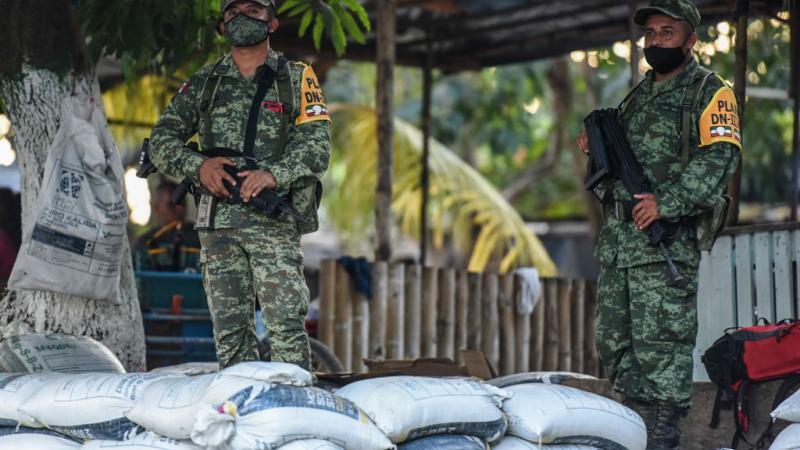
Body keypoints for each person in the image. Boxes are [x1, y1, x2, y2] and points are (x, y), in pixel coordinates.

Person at [576, 0, 741, 448]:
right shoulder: (638, 94)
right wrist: (597, 148)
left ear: (691, 39)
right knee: (614, 344)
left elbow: (719, 159)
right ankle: (635, 428)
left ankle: (661, 434)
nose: (655, 42)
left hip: (664, 244)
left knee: (661, 350)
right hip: (621, 245)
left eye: (667, 32)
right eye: (650, 34)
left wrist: (667, 202)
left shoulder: (709, 91)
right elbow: (623, 165)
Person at [148, 0, 331, 370]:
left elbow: (317, 144)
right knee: (230, 333)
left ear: (273, 22)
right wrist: (199, 167)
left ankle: (293, 412)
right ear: (221, 26)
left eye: (253, 8)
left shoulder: (296, 77)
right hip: (217, 223)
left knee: (285, 326)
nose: (241, 17)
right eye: (231, 11)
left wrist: (274, 174)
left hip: (272, 220)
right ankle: (242, 413)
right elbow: (160, 142)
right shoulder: (205, 82)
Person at [133, 180, 201, 272]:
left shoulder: (201, 237)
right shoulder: (145, 242)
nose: (180, 209)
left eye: (183, 204)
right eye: (171, 205)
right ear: (156, 207)